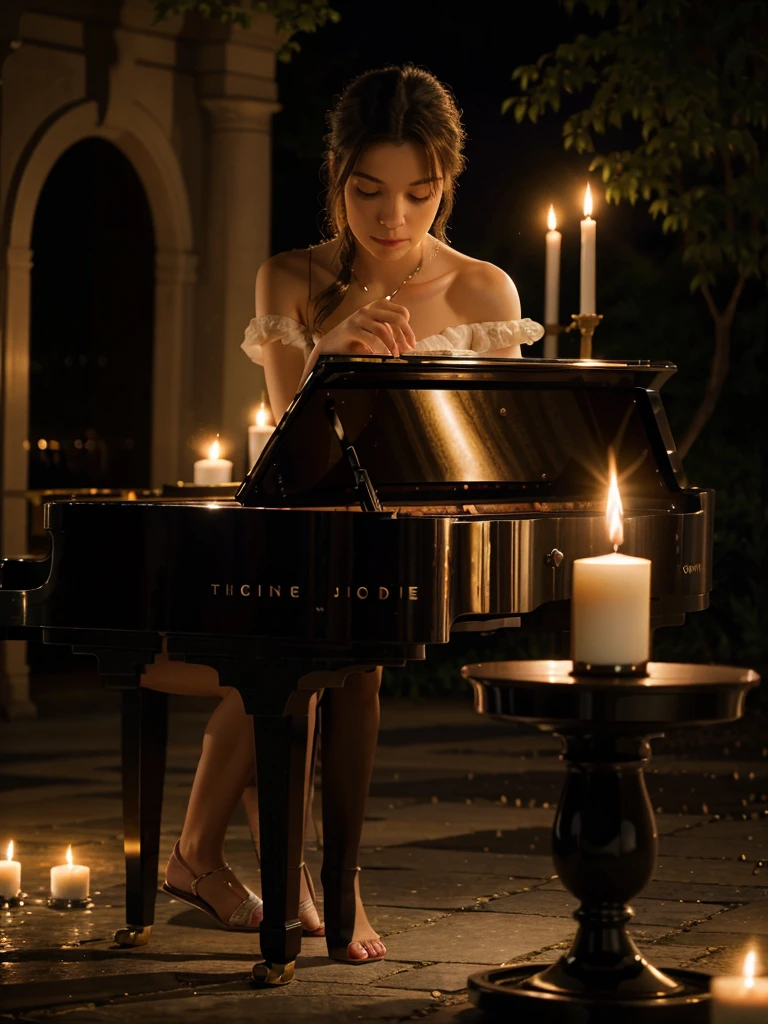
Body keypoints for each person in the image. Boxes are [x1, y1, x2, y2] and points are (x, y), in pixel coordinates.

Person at [142, 63, 543, 965]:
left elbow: (479, 459)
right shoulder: (289, 276)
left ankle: (269, 864)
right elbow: (291, 451)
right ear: (337, 180)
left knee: (342, 645)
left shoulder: (484, 293)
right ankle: (247, 859)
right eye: (368, 192)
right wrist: (326, 353)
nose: (392, 219)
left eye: (418, 193)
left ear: (448, 181)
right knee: (307, 638)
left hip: (391, 535)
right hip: (283, 518)